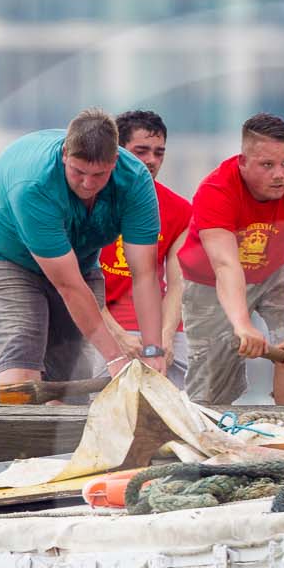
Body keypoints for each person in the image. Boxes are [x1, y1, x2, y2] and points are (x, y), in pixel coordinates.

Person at [0, 110, 166, 387]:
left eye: (99, 175)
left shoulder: (135, 180)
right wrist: (115, 358)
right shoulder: (33, 184)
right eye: (79, 172)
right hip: (0, 253)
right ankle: (11, 421)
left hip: (76, 257)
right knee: (23, 340)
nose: (88, 184)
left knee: (72, 374)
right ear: (65, 154)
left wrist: (153, 351)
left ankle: (58, 424)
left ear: (115, 161)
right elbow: (69, 287)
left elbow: (144, 274)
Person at [177, 113, 284, 406]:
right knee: (211, 385)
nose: (280, 174)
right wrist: (242, 324)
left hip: (274, 271)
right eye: (267, 165)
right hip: (210, 279)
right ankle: (206, 431)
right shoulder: (215, 191)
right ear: (243, 162)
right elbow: (225, 265)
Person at [95, 109, 192, 386]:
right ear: (117, 152)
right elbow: (77, 285)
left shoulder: (180, 211)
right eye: (141, 151)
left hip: (158, 325)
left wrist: (164, 336)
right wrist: (118, 338)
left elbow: (178, 286)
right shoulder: (88, 200)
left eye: (159, 152)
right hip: (100, 322)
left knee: (191, 387)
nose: (151, 160)